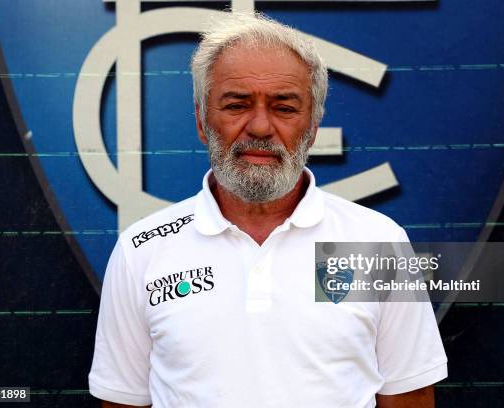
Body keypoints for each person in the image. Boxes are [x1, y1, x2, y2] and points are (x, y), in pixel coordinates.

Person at [89, 11, 447, 408]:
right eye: (237, 104)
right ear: (202, 121)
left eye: (284, 107)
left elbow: (409, 395)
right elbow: (121, 401)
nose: (260, 127)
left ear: (312, 127)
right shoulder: (141, 250)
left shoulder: (378, 242)